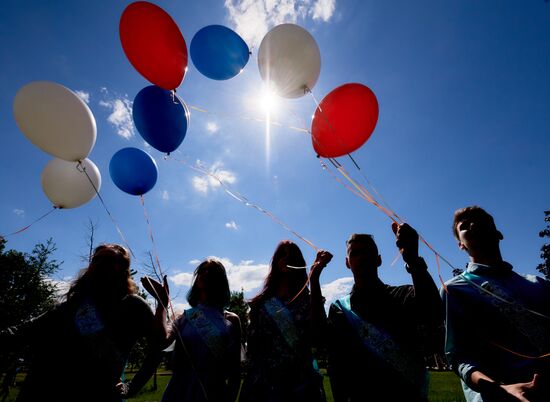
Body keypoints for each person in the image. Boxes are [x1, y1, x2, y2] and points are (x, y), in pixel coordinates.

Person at [1, 243, 169, 402]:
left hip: (98, 393)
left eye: (109, 260)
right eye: (96, 259)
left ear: (123, 270)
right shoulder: (73, 305)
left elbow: (158, 345)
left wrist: (131, 387)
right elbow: (24, 331)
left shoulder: (133, 306)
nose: (99, 264)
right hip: (45, 389)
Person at [442, 206, 550, 402]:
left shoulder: (540, 284)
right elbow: (457, 356)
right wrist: (499, 389)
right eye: (464, 225)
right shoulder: (455, 289)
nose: (473, 224)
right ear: (461, 245)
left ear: (498, 233)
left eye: (480, 220)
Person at [327, 222, 444, 402]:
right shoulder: (339, 309)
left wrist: (413, 260)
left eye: (367, 252)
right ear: (347, 263)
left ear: (379, 259)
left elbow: (433, 312)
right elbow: (336, 365)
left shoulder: (403, 294)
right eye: (355, 253)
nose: (362, 257)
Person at [239, 241, 333, 402]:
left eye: (292, 255)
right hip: (264, 385)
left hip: (301, 385)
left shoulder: (310, 301)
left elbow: (320, 337)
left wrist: (315, 277)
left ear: (300, 263)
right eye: (282, 254)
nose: (287, 258)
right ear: (275, 261)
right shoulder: (260, 304)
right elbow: (252, 348)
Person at [159, 259, 242, 402]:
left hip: (214, 392)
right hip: (179, 391)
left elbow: (235, 371)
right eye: (201, 271)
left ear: (220, 281)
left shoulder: (231, 320)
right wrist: (162, 302)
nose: (204, 274)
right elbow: (162, 342)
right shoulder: (183, 316)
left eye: (211, 271)